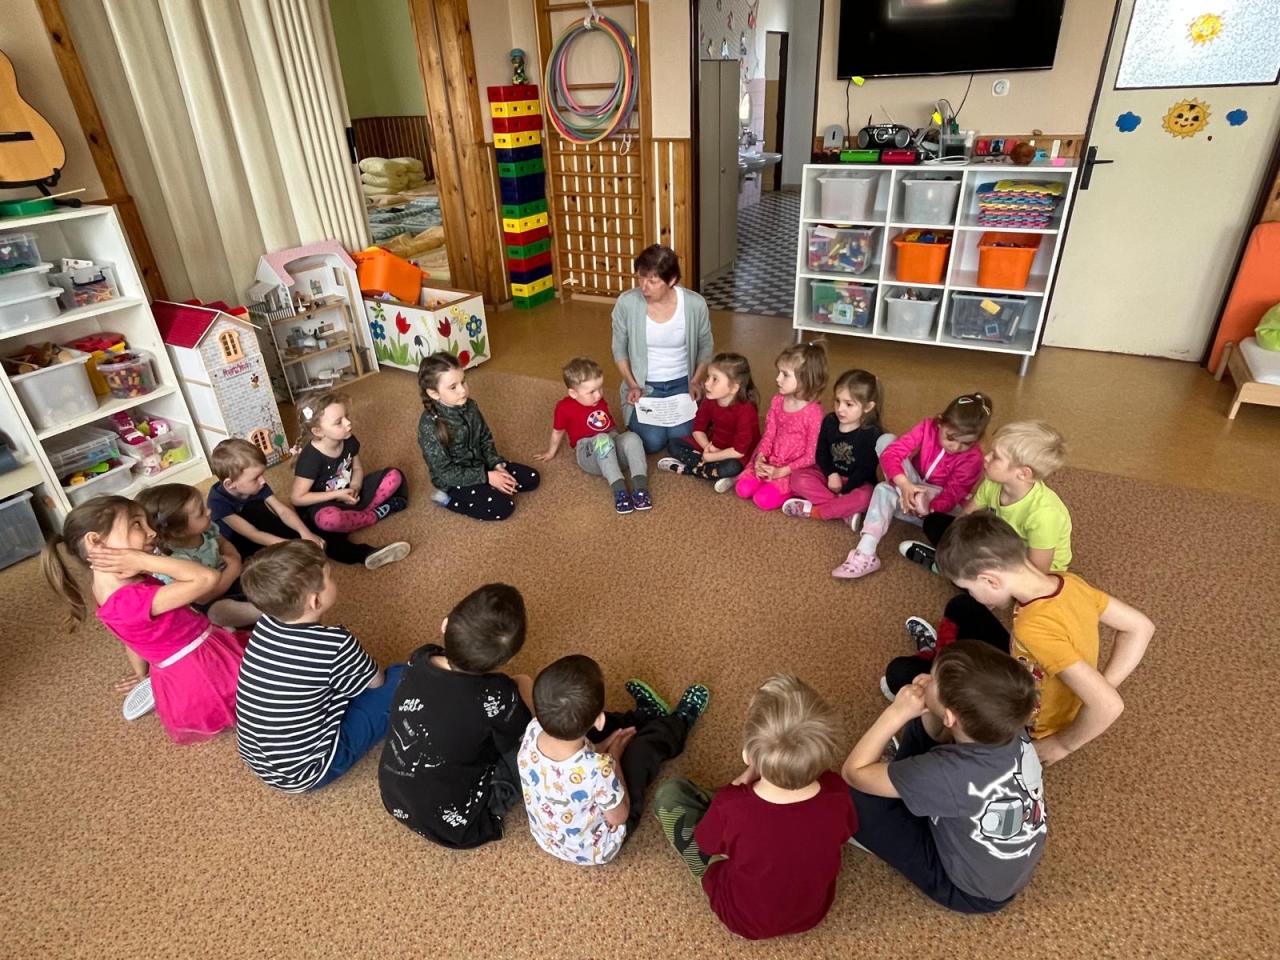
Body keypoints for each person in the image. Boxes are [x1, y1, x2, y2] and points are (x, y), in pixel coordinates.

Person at [843, 641, 1047, 913]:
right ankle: (907, 786)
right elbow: (943, 734)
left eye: (933, 678)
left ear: (950, 717)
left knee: (852, 797)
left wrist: (895, 714)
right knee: (921, 727)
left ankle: (882, 828)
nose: (926, 679)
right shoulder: (1008, 724)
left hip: (968, 892)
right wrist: (931, 701)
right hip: (994, 863)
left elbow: (853, 772)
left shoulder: (949, 774)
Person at [934, 513, 1154, 765]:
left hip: (1031, 722)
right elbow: (1140, 627)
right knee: (962, 607)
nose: (972, 594)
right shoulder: (1068, 582)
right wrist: (1099, 685)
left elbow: (1109, 705)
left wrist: (1062, 744)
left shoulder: (1033, 628)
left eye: (970, 588)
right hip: (1033, 666)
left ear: (990, 581)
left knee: (923, 683)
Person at [652, 675, 856, 940]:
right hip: (812, 913)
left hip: (742, 918)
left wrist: (737, 787)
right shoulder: (838, 792)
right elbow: (846, 830)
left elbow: (706, 842)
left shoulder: (731, 805)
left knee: (669, 795)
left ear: (748, 755)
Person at [884, 421, 1071, 696]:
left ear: (1023, 473)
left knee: (966, 603)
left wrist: (982, 576)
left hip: (1018, 567)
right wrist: (956, 549)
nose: (986, 457)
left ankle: (955, 575)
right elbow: (963, 522)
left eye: (996, 456)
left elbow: (1037, 571)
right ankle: (952, 570)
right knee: (936, 523)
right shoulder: (995, 483)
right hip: (996, 548)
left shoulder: (1044, 514)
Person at [41, 495, 246, 742]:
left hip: (199, 650)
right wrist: (146, 559)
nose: (151, 532)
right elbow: (207, 579)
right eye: (136, 524)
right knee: (266, 686)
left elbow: (131, 640)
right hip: (202, 670)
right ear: (96, 542)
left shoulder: (111, 589)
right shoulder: (128, 600)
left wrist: (141, 674)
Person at [236, 540, 404, 792]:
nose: (335, 580)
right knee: (402, 677)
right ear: (315, 601)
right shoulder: (335, 643)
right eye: (330, 578)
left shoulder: (265, 623)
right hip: (310, 769)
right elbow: (376, 682)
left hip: (260, 758)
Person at [379, 584, 534, 849]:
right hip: (459, 824)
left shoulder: (421, 656)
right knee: (528, 735)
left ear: (445, 624)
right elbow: (522, 732)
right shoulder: (496, 694)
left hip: (394, 797)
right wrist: (523, 691)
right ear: (504, 662)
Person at [517, 655, 709, 865]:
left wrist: (603, 747)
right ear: (598, 720)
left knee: (580, 721)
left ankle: (645, 715)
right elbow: (619, 817)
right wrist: (613, 757)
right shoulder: (600, 769)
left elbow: (572, 767)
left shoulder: (533, 728)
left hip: (548, 839)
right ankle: (678, 723)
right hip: (599, 848)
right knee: (640, 753)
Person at [833, 392, 990, 580]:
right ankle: (866, 552)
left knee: (886, 490)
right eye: (951, 438)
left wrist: (930, 506)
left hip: (936, 510)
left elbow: (953, 494)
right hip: (908, 492)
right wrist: (904, 485)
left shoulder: (974, 458)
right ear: (940, 422)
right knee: (885, 443)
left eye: (967, 443)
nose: (956, 447)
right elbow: (892, 453)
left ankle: (909, 499)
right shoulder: (928, 427)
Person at [208, 438, 409, 570]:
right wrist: (296, 544)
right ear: (230, 484)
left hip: (267, 526)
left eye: (262, 474)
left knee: (312, 528)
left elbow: (282, 510)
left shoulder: (255, 485)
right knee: (274, 563)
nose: (262, 481)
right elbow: (253, 534)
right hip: (245, 543)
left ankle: (365, 554)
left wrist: (305, 533)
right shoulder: (217, 502)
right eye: (255, 478)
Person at [611, 244, 714, 454]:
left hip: (682, 383)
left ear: (672, 280)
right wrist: (632, 385)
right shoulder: (627, 303)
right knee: (652, 442)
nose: (644, 287)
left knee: (681, 437)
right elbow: (618, 348)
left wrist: (695, 380)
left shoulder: (694, 304)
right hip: (645, 385)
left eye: (653, 281)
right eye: (641, 278)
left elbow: (706, 345)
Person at [417, 351, 540, 521]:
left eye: (463, 381)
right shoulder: (429, 427)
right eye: (453, 387)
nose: (463, 390)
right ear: (434, 393)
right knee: (504, 508)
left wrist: (496, 465)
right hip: (454, 481)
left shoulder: (471, 406)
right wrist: (487, 477)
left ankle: (490, 485)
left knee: (532, 479)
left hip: (482, 465)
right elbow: (446, 473)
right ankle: (448, 500)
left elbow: (485, 438)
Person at [534, 356, 651, 514]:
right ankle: (620, 491)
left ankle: (640, 488)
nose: (598, 395)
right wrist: (550, 452)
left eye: (600, 388)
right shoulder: (564, 408)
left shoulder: (598, 400)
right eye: (591, 392)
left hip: (612, 445)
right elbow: (557, 431)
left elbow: (609, 424)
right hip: (588, 453)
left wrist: (622, 442)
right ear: (573, 393)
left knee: (632, 437)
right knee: (602, 439)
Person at [138, 483, 261, 628]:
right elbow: (203, 598)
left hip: (233, 574)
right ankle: (261, 612)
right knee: (218, 614)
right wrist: (234, 567)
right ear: (179, 532)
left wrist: (234, 558)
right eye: (201, 512)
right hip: (213, 597)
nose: (209, 511)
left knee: (262, 567)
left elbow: (223, 543)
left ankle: (267, 601)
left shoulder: (207, 528)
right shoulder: (175, 559)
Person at [290, 391, 407, 536]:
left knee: (394, 476)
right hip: (324, 503)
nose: (348, 423)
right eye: (339, 422)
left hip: (349, 492)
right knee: (329, 520)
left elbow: (357, 468)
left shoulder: (349, 440)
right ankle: (373, 515)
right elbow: (297, 498)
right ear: (318, 431)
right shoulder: (310, 459)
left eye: (347, 416)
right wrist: (337, 494)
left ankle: (355, 516)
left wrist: (355, 487)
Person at [782, 368, 884, 525]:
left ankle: (816, 511)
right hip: (829, 477)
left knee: (868, 497)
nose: (840, 409)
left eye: (849, 404)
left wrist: (846, 491)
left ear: (868, 407)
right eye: (837, 401)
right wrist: (831, 474)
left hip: (856, 482)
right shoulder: (830, 421)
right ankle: (844, 511)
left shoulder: (872, 434)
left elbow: (864, 470)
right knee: (797, 479)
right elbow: (821, 453)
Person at [734, 341, 827, 511]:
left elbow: (811, 455)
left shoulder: (814, 413)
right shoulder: (777, 400)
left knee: (762, 500)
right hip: (772, 458)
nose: (778, 379)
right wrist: (761, 457)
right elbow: (769, 434)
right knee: (743, 489)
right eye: (779, 372)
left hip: (793, 468)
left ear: (806, 379)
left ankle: (791, 491)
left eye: (785, 374)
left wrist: (782, 471)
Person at [656, 352, 761, 492]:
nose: (706, 383)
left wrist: (712, 456)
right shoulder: (710, 399)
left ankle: (692, 468)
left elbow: (739, 451)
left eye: (715, 379)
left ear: (734, 388)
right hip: (713, 446)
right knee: (673, 444)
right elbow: (698, 428)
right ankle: (710, 471)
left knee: (732, 467)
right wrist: (708, 448)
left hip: (735, 454)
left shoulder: (746, 411)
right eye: (708, 377)